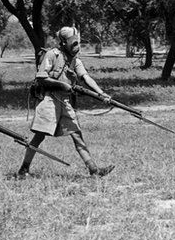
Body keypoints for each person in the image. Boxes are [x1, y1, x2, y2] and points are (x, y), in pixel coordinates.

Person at [17, 26, 114, 178]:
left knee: (77, 135)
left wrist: (101, 94)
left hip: (66, 102)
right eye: (74, 44)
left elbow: (86, 77)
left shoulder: (75, 60)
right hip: (49, 100)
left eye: (78, 43)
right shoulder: (52, 55)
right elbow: (41, 77)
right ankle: (23, 169)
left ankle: (94, 170)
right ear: (63, 43)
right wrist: (62, 84)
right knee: (39, 136)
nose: (77, 47)